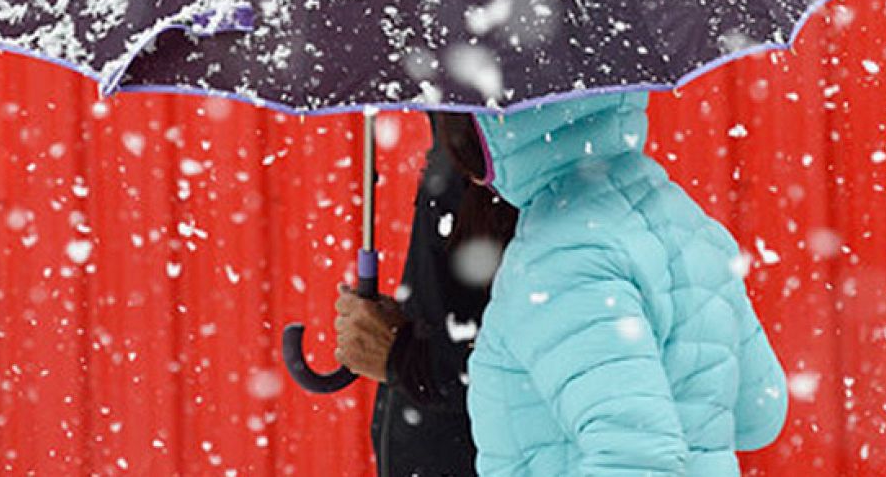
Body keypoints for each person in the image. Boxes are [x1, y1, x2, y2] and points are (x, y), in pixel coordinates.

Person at [462, 91, 789, 476]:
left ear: (498, 129)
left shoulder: (562, 255)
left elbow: (636, 461)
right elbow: (759, 412)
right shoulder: (686, 222)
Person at [334, 113, 518, 477]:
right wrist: (397, 330)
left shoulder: (508, 151)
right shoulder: (463, 134)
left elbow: (529, 361)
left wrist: (403, 357)